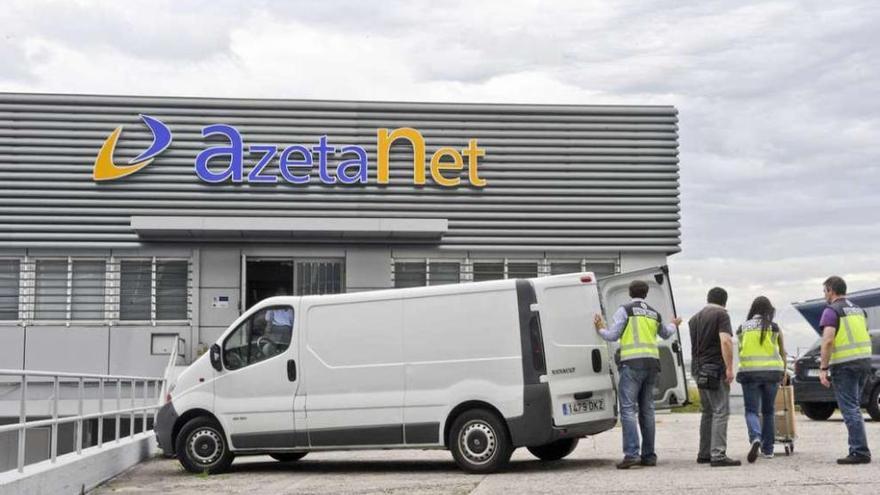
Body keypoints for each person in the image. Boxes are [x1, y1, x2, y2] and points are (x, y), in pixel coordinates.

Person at [593, 280, 682, 469]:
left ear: (630, 292)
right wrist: (674, 324)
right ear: (646, 294)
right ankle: (649, 456)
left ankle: (631, 454)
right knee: (647, 410)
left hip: (632, 365)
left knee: (627, 409)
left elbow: (613, 336)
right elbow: (666, 334)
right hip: (652, 365)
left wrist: (600, 328)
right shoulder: (654, 313)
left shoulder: (624, 310)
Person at [818, 276, 872, 464]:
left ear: (831, 290)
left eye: (824, 290)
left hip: (845, 365)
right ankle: (858, 448)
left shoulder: (831, 311)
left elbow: (828, 341)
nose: (824, 294)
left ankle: (859, 451)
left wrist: (823, 368)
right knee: (854, 407)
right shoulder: (858, 310)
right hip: (864, 363)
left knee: (849, 408)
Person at [689, 287, 741, 467]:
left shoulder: (694, 318)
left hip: (697, 369)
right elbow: (725, 341)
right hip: (714, 369)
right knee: (721, 410)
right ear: (725, 301)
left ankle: (704, 453)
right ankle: (718, 454)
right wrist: (729, 368)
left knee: (708, 411)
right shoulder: (721, 315)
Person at [735, 296, 786, 463]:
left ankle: (755, 437)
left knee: (751, 410)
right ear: (768, 310)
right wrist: (784, 372)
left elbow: (741, 349)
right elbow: (782, 351)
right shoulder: (774, 327)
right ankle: (768, 449)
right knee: (768, 410)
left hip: (750, 373)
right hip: (772, 373)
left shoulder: (742, 328)